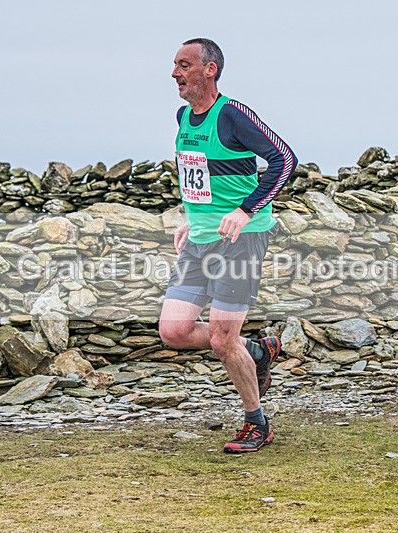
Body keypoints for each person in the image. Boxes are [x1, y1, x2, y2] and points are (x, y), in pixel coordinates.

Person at [159, 38, 297, 453]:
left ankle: (257, 424)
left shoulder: (233, 115)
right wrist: (189, 218)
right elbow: (197, 178)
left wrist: (246, 210)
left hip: (241, 239)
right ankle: (256, 349)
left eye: (184, 65)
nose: (174, 73)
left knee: (221, 339)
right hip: (199, 241)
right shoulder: (183, 117)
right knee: (175, 331)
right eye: (174, 65)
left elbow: (284, 160)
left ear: (209, 70)